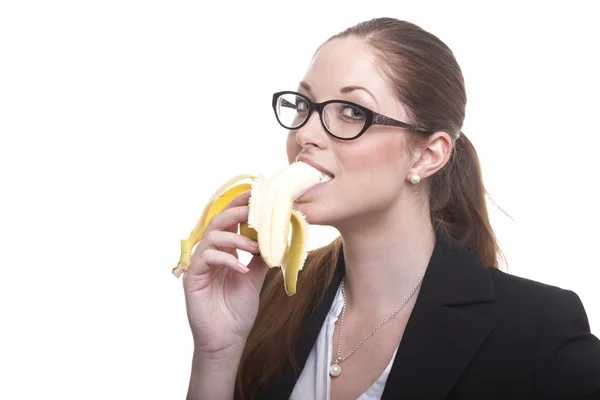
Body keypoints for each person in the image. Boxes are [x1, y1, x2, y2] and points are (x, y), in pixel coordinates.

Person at [182, 17, 600, 400]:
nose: (305, 134)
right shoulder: (267, 296)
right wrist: (217, 354)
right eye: (305, 105)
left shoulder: (539, 331)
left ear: (426, 157)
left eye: (352, 111)